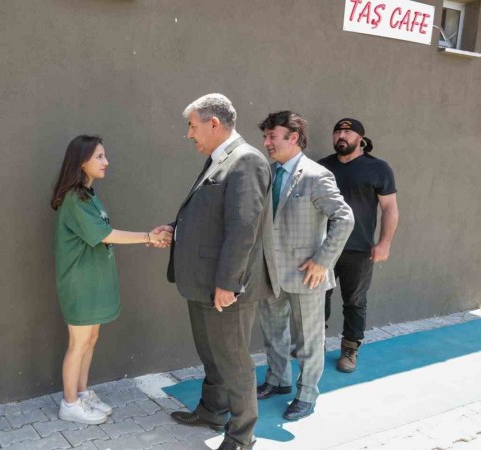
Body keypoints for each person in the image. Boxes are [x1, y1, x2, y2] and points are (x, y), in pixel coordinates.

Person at [153, 93, 277, 450]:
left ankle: (241, 436)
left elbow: (243, 228)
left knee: (233, 361)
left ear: (213, 123)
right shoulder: (219, 158)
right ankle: (211, 412)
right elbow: (210, 215)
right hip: (202, 282)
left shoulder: (246, 161)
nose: (189, 134)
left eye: (192, 126)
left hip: (225, 286)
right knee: (212, 354)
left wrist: (228, 283)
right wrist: (175, 229)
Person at [51, 135, 172, 425]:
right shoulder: (74, 198)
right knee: (78, 343)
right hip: (79, 283)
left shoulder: (88, 195)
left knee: (90, 339)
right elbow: (106, 235)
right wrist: (148, 237)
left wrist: (147, 238)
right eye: (99, 157)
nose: (106, 162)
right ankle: (69, 403)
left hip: (93, 281)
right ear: (82, 162)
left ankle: (82, 393)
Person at [256, 111, 354, 420]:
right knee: (273, 332)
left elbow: (344, 219)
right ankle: (278, 380)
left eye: (272, 136)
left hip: (306, 274)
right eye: (265, 136)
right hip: (270, 272)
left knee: (308, 341)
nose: (266, 142)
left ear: (294, 137)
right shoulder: (268, 173)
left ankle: (307, 394)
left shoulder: (316, 175)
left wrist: (323, 261)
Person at [318, 118, 398, 373]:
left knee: (354, 301)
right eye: (337, 132)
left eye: (347, 132)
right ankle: (316, 345)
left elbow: (390, 208)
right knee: (317, 299)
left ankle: (350, 349)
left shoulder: (378, 168)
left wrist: (384, 243)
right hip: (324, 249)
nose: (341, 136)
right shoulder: (322, 167)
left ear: (360, 139)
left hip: (359, 250)